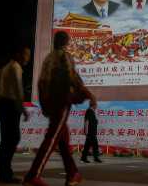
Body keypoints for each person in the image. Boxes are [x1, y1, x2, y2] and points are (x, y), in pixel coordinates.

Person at [23, 31, 96, 186]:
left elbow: (41, 83)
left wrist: (44, 104)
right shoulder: (64, 57)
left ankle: (72, 174)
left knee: (62, 140)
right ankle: (33, 175)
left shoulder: (48, 58)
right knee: (52, 137)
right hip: (61, 101)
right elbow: (73, 78)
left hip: (50, 102)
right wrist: (89, 94)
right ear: (66, 42)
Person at [0, 46, 31, 184]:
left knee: (8, 140)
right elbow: (18, 89)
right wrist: (22, 108)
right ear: (18, 54)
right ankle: (3, 171)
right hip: (10, 105)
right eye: (25, 54)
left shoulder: (8, 66)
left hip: (5, 104)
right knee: (12, 139)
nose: (27, 58)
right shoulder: (15, 67)